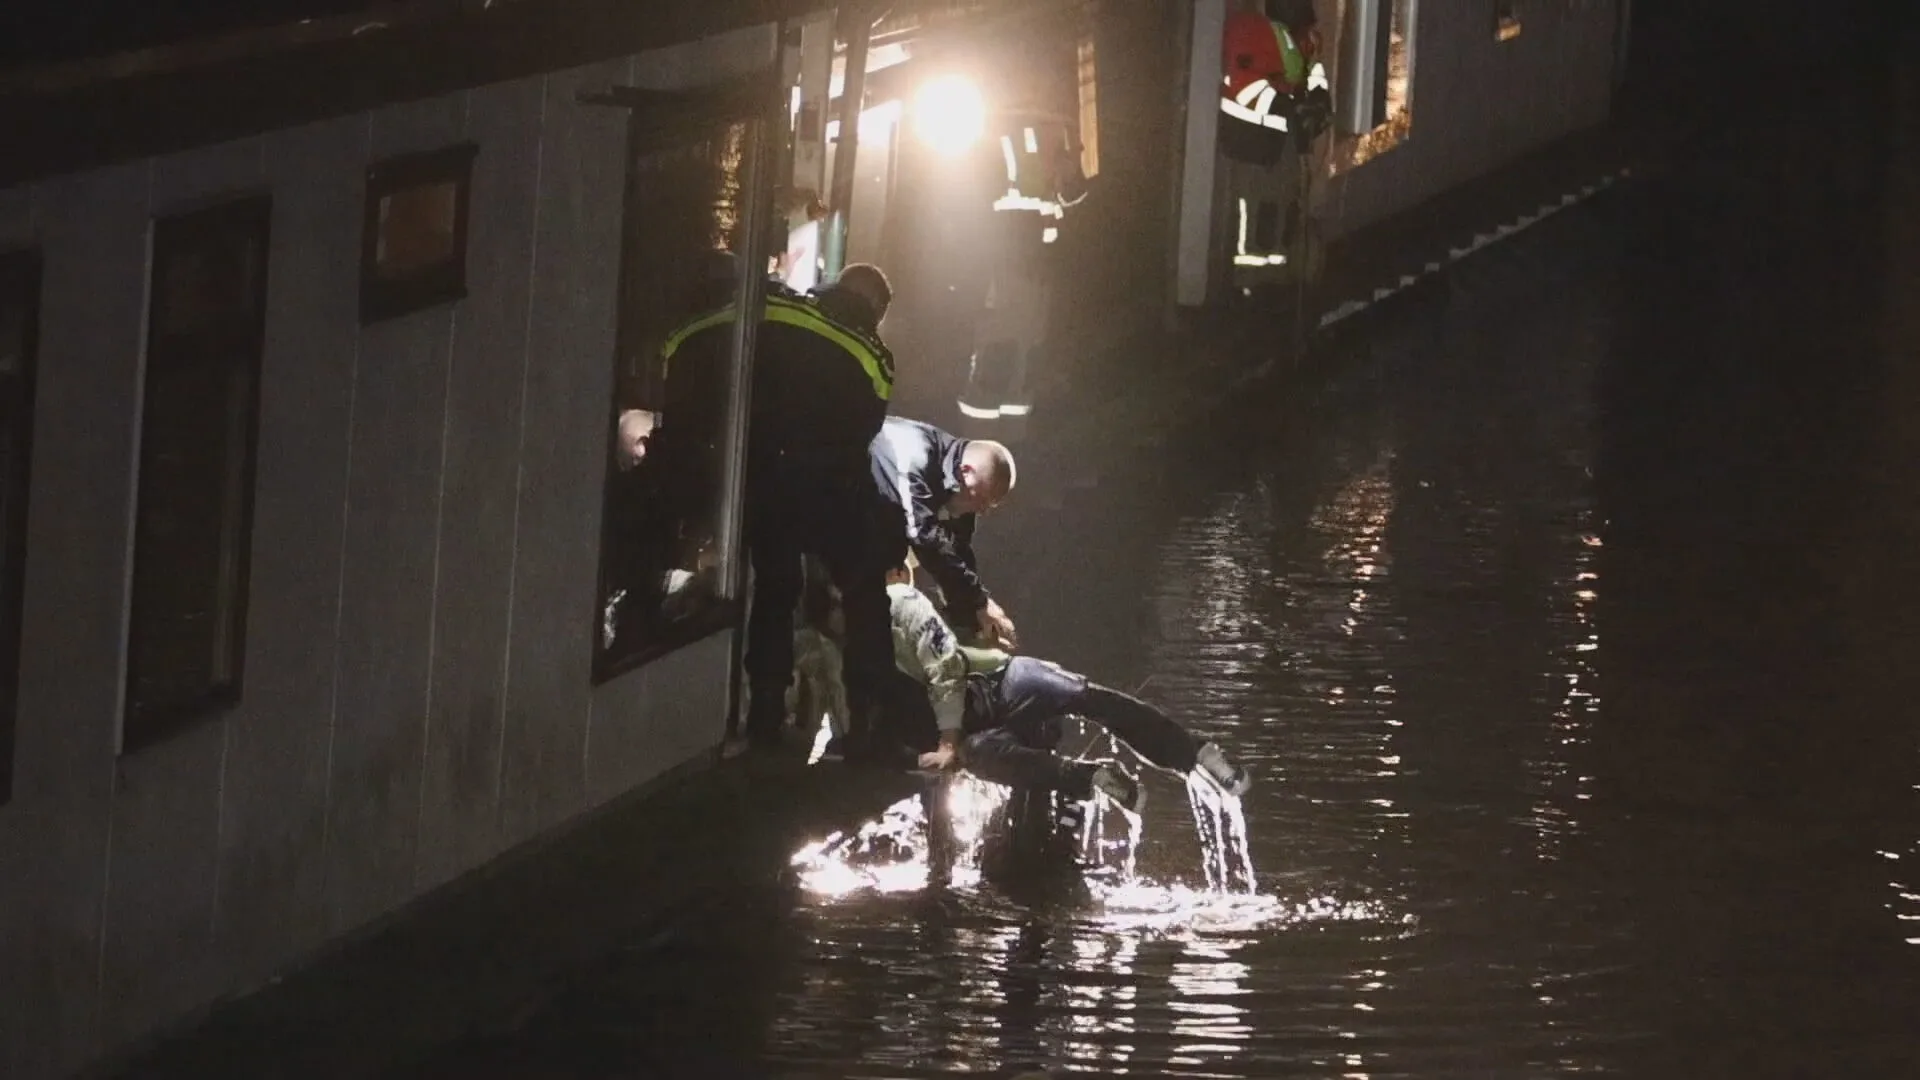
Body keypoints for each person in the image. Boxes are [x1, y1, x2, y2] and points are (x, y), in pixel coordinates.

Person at [880, 559, 1252, 810]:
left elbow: (948, 658)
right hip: (971, 729)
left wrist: (984, 615)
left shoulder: (906, 599)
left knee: (1082, 695)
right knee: (984, 756)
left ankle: (1194, 751)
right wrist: (943, 744)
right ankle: (1094, 777)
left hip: (1002, 678)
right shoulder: (885, 607)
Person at [734, 263, 904, 757]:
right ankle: (868, 719)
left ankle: (765, 708)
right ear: (875, 309)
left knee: (774, 587)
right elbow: (865, 430)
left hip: (768, 476)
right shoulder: (877, 356)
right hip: (829, 489)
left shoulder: (785, 311)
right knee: (865, 591)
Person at [959, 106, 1090, 421]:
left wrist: (1070, 173)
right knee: (999, 335)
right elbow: (974, 193)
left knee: (1030, 339)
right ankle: (982, 425)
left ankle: (1016, 430)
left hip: (1039, 259)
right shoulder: (989, 128)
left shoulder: (1057, 130)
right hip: (1006, 256)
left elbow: (1073, 194)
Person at [871, 415, 1019, 651]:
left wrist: (976, 622)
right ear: (966, 471)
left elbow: (957, 549)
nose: (981, 511)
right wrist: (978, 601)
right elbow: (922, 534)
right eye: (981, 501)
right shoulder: (912, 454)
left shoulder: (957, 484)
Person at [1218, 0, 1331, 293]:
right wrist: (1289, 105)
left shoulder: (1301, 38)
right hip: (1252, 143)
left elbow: (1313, 74)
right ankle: (1247, 282)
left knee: (1284, 206)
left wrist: (1317, 103)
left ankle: (1274, 279)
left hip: (1284, 144)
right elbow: (1245, 87)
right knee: (1252, 210)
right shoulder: (1250, 31)